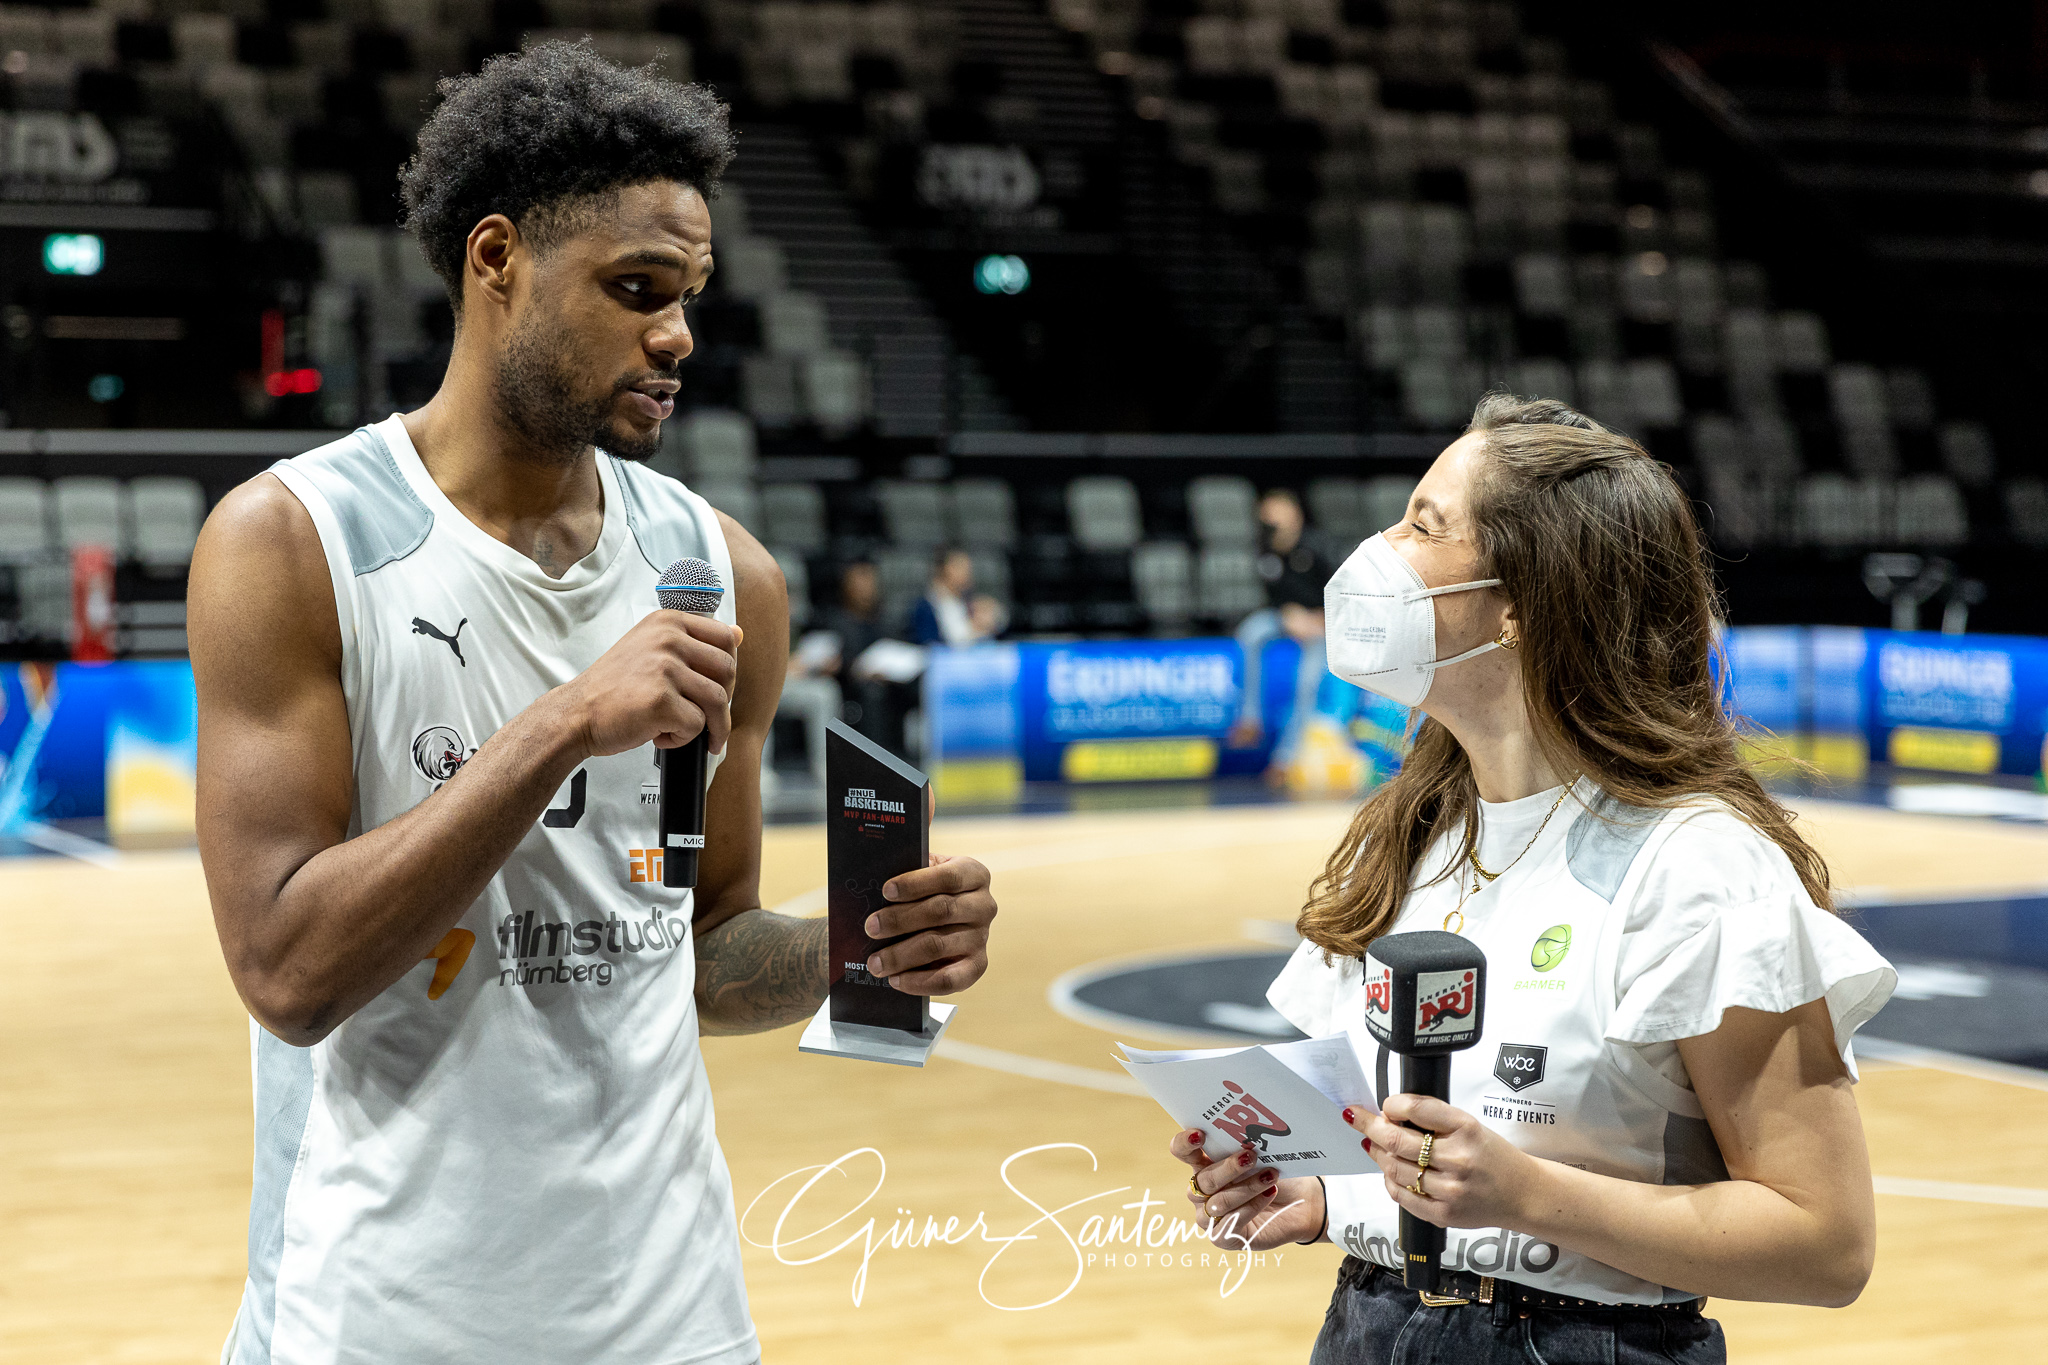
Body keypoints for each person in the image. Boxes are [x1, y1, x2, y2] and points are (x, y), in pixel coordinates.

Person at [189, 44, 999, 1365]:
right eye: (637, 290)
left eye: (689, 297)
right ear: (496, 259)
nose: (677, 335)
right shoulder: (292, 543)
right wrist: (565, 722)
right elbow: (286, 975)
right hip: (380, 1319)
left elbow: (703, 944)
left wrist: (859, 949)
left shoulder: (723, 574)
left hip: (676, 1317)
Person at [1169, 394, 1894, 1363]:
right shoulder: (1410, 831)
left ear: (1520, 603)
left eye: (1423, 525)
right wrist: (1319, 1194)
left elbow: (1825, 1246)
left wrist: (1526, 1196)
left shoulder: (1698, 864)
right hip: (1366, 1324)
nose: (1379, 551)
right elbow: (1396, 1153)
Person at [1227, 488, 1334, 769]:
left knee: (1308, 681)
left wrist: (1319, 619)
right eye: (1267, 515)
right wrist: (1288, 615)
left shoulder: (1318, 546)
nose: (1271, 520)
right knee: (1251, 631)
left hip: (1321, 623)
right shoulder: (1265, 550)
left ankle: (1287, 757)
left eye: (1277, 513)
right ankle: (1250, 719)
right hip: (1286, 617)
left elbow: (1340, 590)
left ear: (1294, 515)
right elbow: (1272, 594)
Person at [909, 545, 1005, 647]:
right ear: (942, 569)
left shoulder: (972, 603)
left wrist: (988, 624)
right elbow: (929, 645)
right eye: (959, 567)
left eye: (968, 568)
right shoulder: (925, 607)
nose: (966, 573)